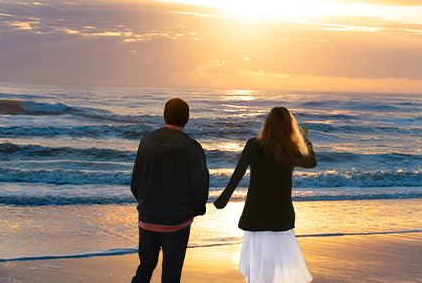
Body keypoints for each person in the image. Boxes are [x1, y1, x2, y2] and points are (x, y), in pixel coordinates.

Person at [216, 106, 319, 283]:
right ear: (289, 126)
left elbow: (236, 176)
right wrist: (304, 138)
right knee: (275, 260)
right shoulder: (291, 148)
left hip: (256, 213)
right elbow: (311, 162)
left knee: (258, 261)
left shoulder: (253, 144)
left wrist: (222, 200)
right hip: (281, 212)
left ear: (267, 124)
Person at [130, 98, 210, 283]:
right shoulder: (192, 148)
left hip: (148, 218)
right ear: (187, 119)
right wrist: (193, 211)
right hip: (178, 221)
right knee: (171, 274)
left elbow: (136, 183)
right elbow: (200, 188)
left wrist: (146, 203)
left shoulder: (146, 142)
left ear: (164, 115)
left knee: (145, 267)